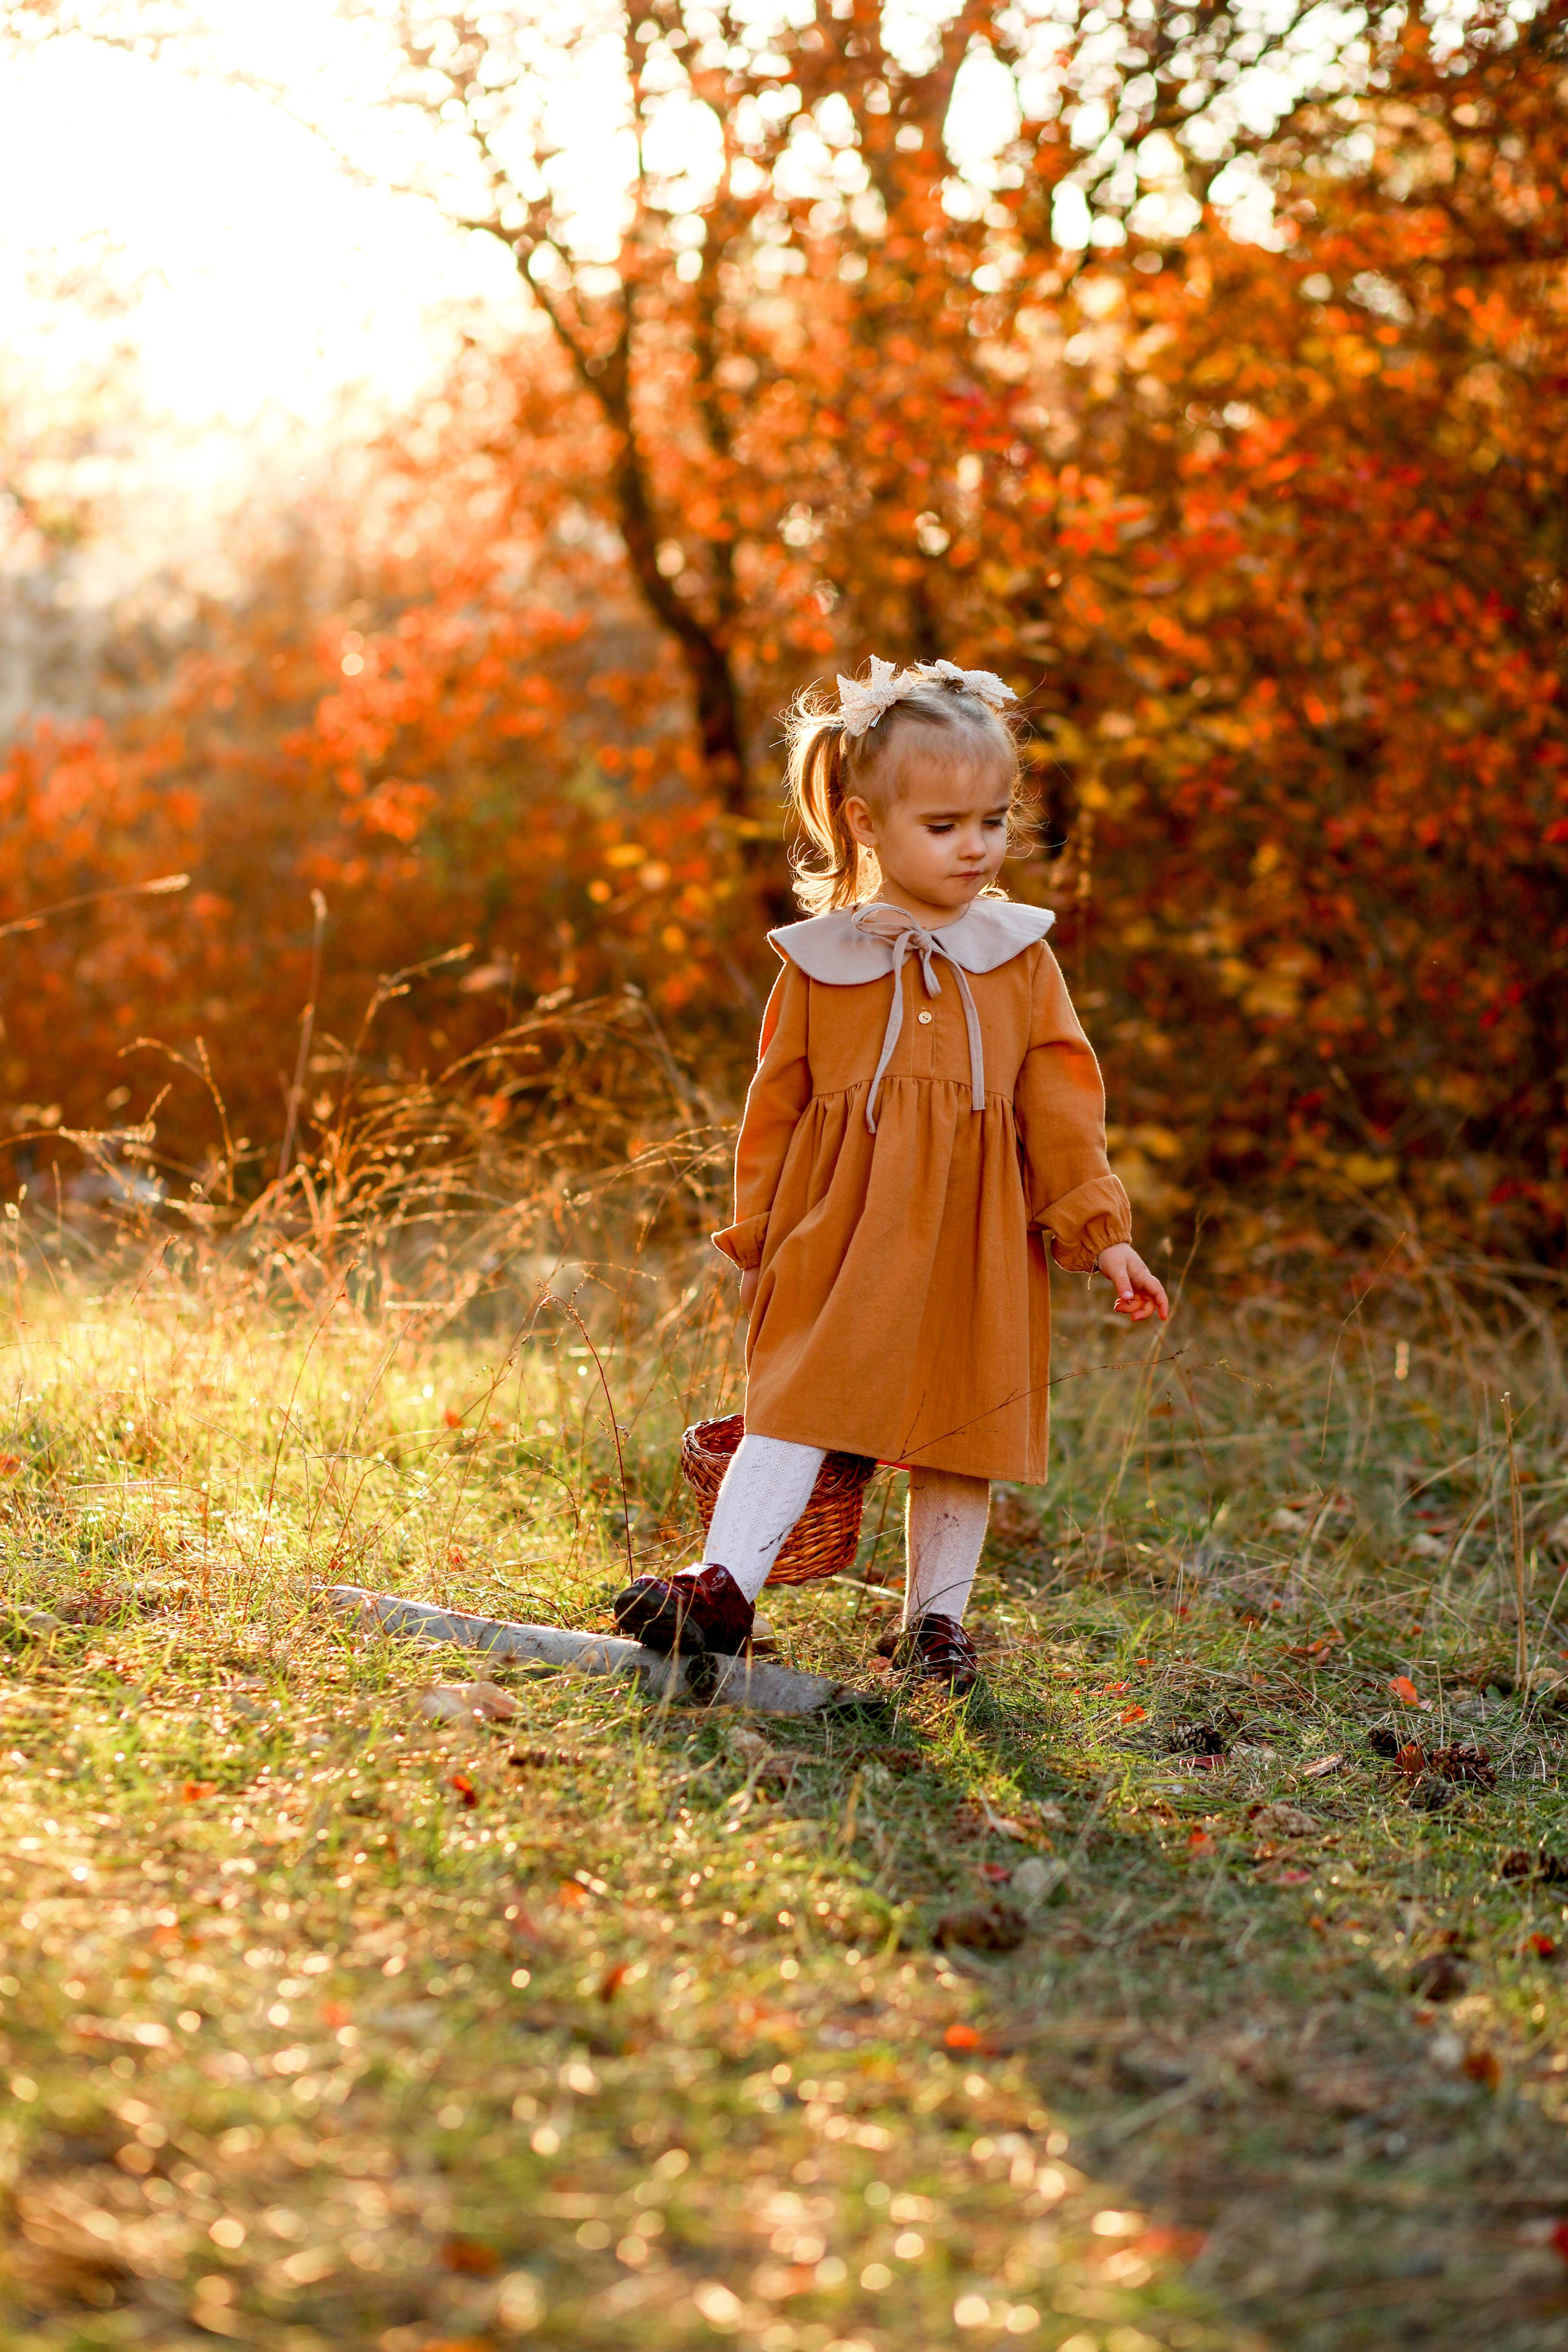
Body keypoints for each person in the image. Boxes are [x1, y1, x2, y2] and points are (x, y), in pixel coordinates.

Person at [615, 656, 1169, 1691]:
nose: (977, 847)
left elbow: (1060, 1104)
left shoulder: (1019, 957)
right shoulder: (820, 961)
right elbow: (774, 1107)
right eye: (945, 825)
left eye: (993, 821)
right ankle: (723, 1586)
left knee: (965, 1419)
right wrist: (759, 1234)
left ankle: (936, 1627)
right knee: (797, 1400)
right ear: (867, 824)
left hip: (980, 1234)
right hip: (842, 1230)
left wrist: (1103, 1235)